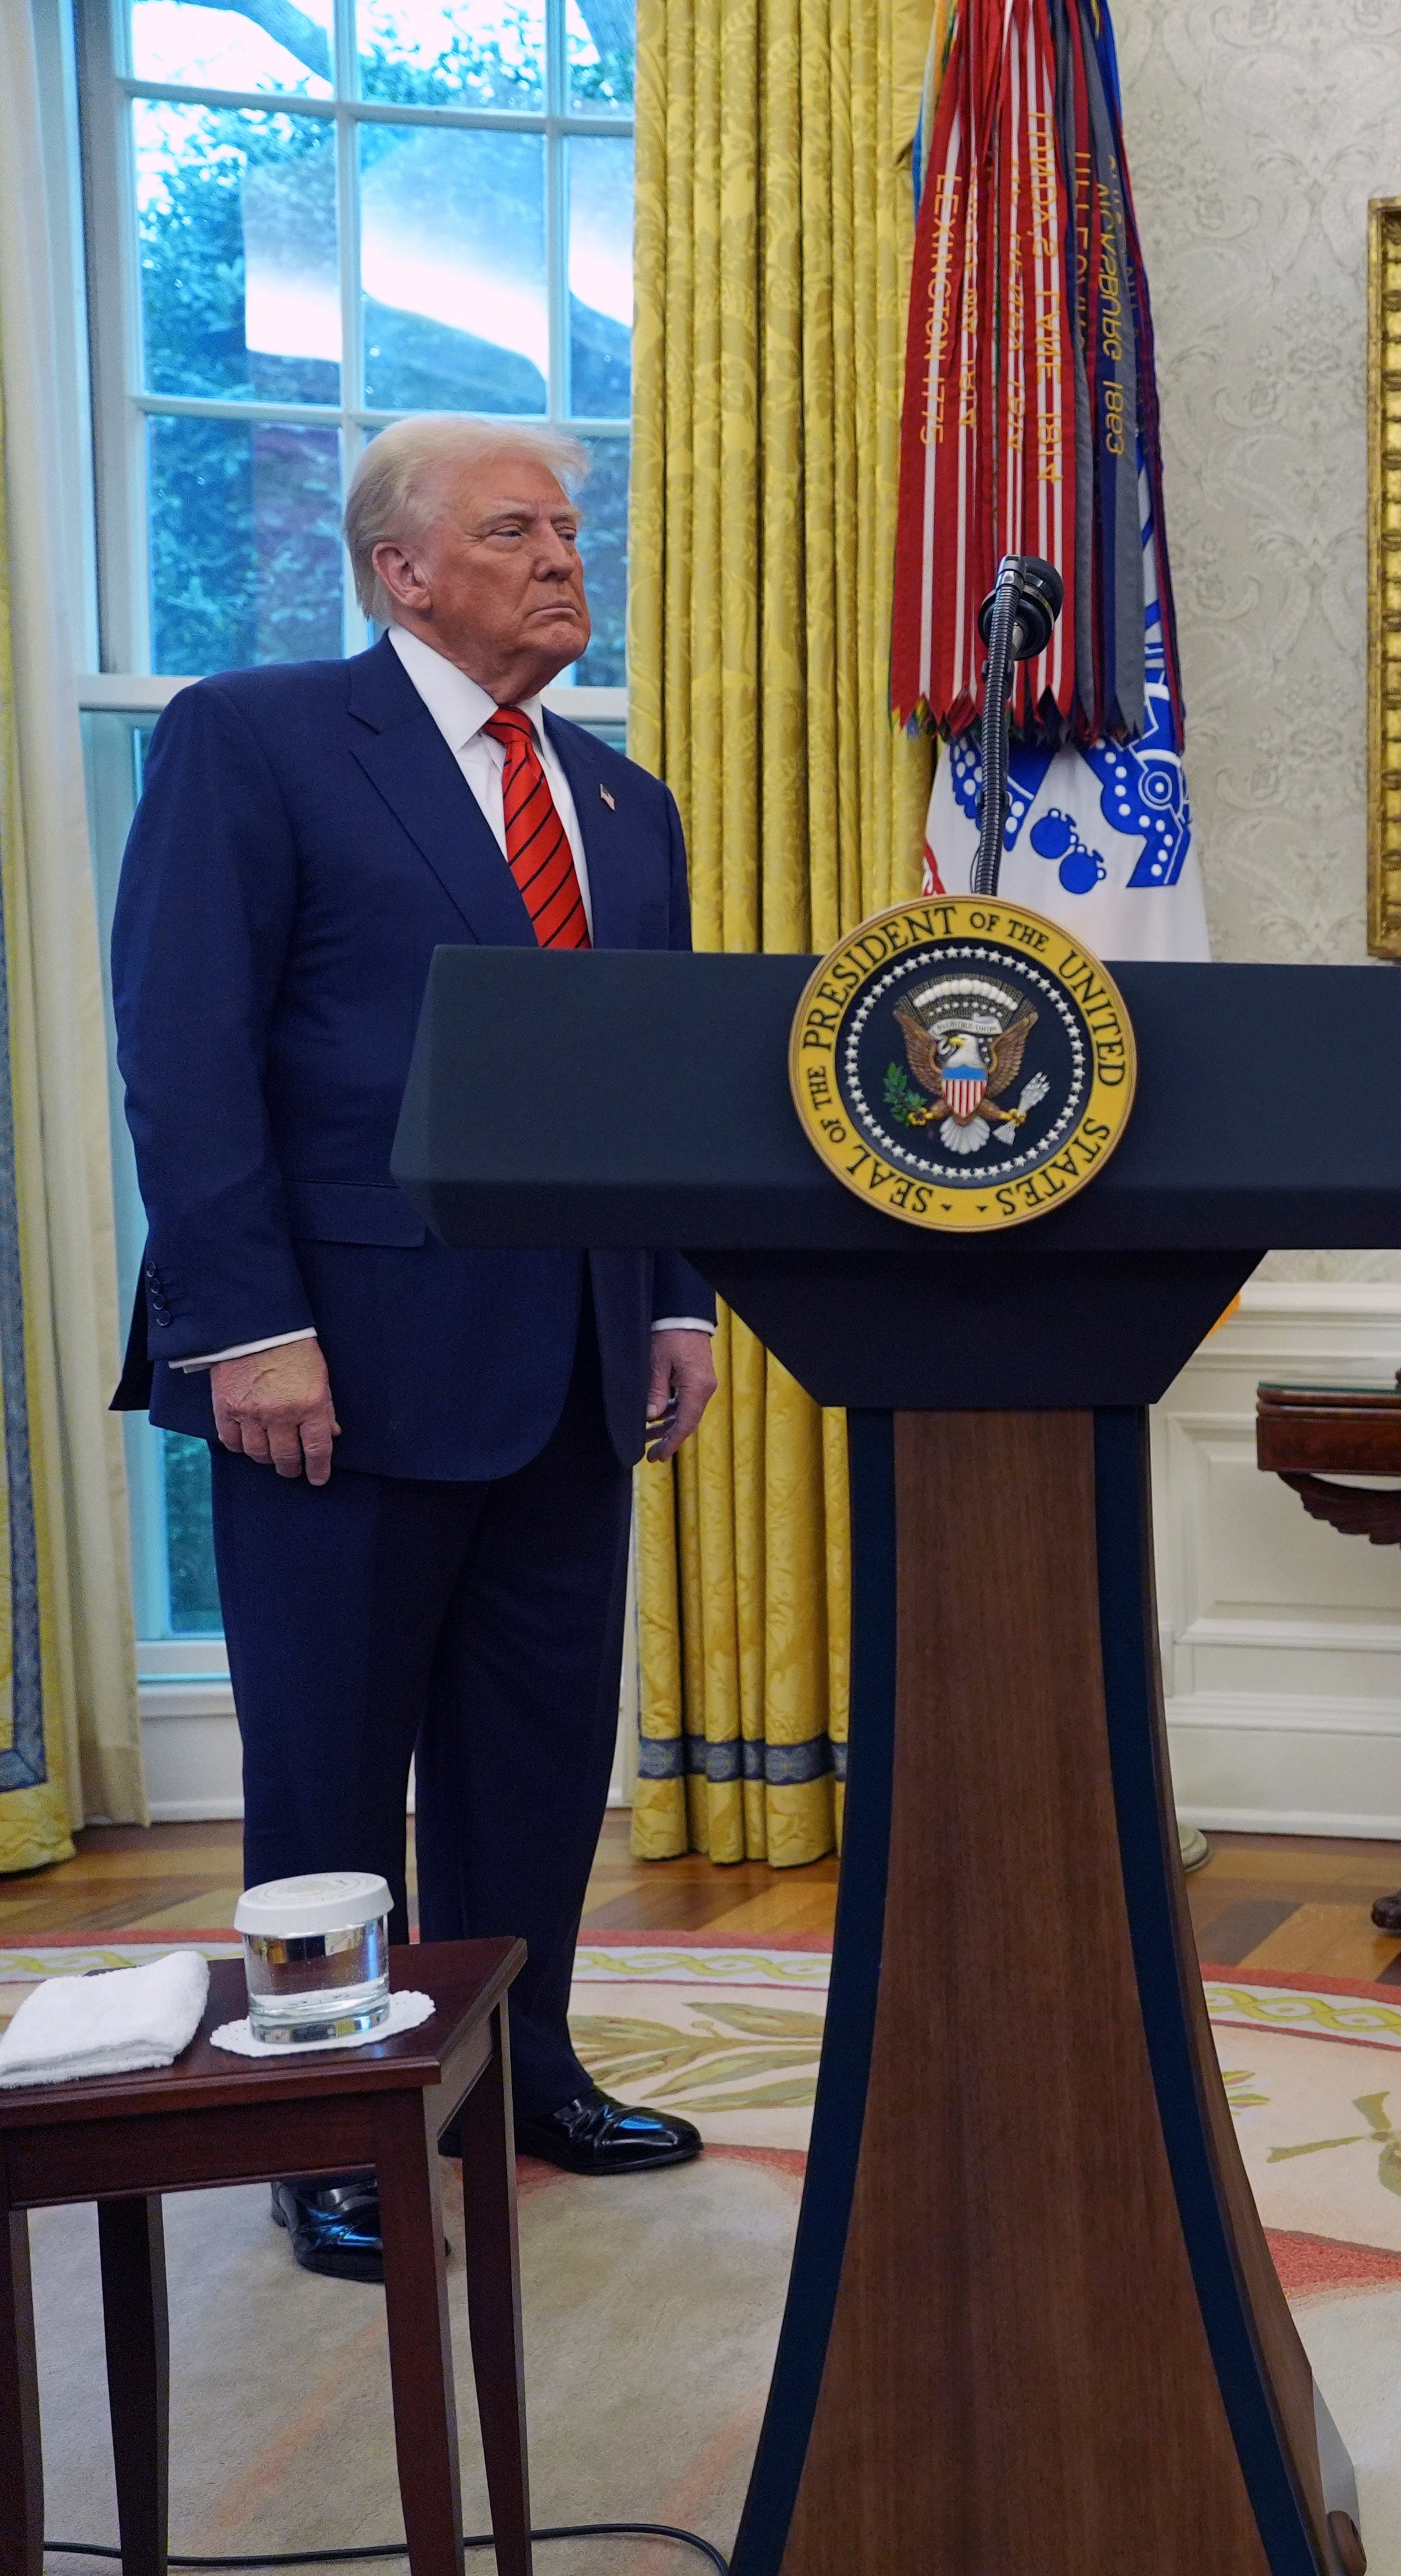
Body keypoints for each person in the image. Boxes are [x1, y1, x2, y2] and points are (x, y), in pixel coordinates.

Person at [110, 417, 726, 2282]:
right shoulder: (258, 737)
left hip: (570, 1363)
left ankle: (525, 2066)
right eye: (517, 530)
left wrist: (678, 1293)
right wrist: (249, 1328)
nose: (562, 556)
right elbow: (187, 1050)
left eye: (569, 527)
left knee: (533, 1758)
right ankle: (329, 2120)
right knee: (330, 1763)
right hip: (335, 1367)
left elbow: (657, 1085)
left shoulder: (623, 803)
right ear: (403, 570)